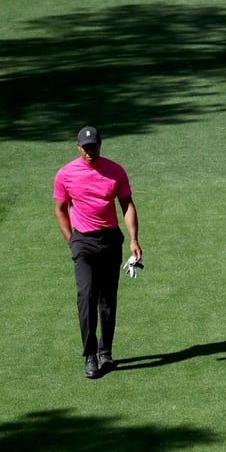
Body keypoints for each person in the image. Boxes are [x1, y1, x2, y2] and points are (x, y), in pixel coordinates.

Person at [52, 126, 141, 380]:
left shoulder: (115, 171)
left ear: (100, 145)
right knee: (86, 297)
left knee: (108, 301)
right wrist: (72, 241)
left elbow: (127, 205)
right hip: (83, 242)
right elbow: (60, 209)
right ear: (77, 147)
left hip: (111, 240)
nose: (90, 152)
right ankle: (90, 355)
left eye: (94, 146)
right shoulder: (65, 174)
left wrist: (134, 239)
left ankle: (106, 352)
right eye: (85, 147)